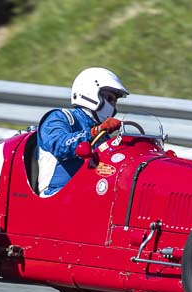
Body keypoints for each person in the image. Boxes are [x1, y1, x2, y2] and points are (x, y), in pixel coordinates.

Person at [36, 67, 129, 197]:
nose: (112, 104)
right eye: (109, 98)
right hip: (57, 195)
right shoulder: (60, 117)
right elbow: (60, 146)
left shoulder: (103, 133)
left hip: (88, 194)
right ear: (90, 93)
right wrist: (95, 131)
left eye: (115, 100)